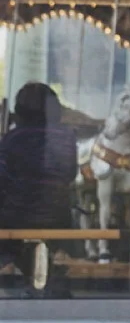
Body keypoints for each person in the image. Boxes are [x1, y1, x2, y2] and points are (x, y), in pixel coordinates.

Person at [0, 82, 78, 231]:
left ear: (19, 110)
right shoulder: (67, 136)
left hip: (15, 221)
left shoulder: (12, 138)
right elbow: (70, 174)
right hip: (58, 220)